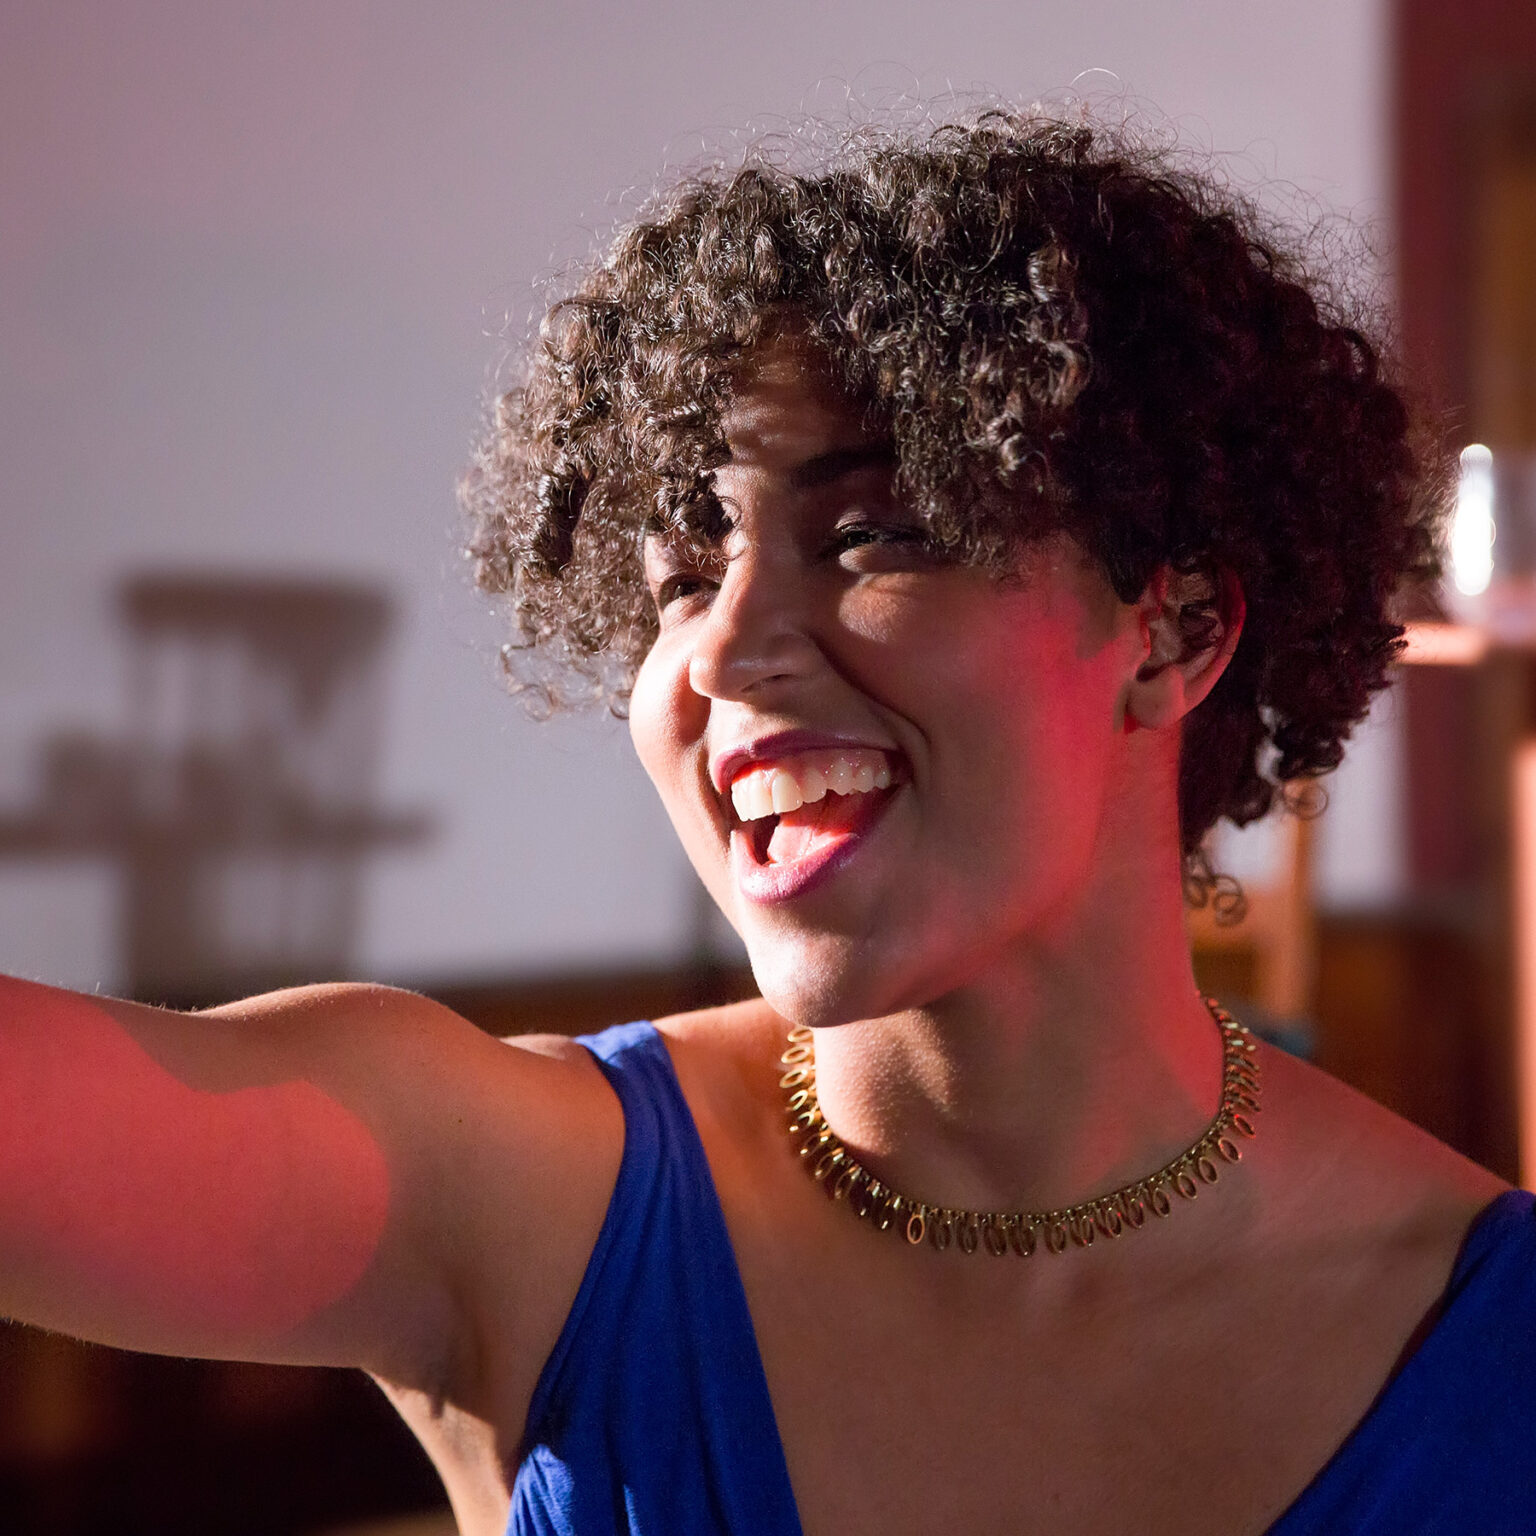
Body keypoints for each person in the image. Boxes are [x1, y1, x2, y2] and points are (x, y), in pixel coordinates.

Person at [1, 109, 1531, 1536]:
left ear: (1176, 629)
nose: (723, 653)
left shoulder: (1483, 1340)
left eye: (870, 535)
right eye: (680, 572)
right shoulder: (521, 1204)